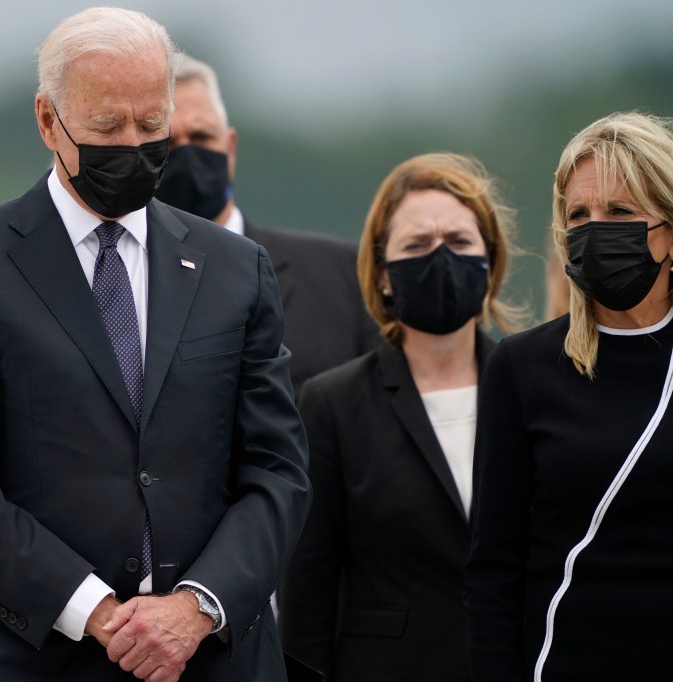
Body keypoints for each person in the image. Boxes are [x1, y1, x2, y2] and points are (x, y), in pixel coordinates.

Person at [0, 8, 310, 682]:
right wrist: (94, 611)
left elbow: (278, 472)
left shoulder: (236, 269)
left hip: (214, 661)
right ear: (47, 120)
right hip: (47, 660)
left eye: (151, 125)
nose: (132, 144)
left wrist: (196, 609)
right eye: (106, 126)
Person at [279, 153, 522, 680]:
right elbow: (307, 592)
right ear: (384, 274)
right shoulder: (333, 404)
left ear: (490, 261)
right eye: (416, 245)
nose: (440, 258)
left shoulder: (535, 387)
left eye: (459, 242)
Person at [466, 112, 673, 681]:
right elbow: (493, 569)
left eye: (621, 212)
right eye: (578, 214)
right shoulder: (523, 366)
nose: (594, 228)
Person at [155, 55, 379, 394]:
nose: (188, 155)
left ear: (230, 147)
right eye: (168, 142)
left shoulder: (342, 276)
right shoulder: (118, 279)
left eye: (202, 137)